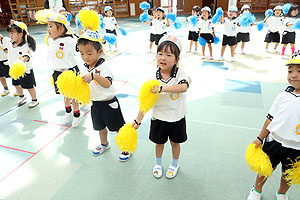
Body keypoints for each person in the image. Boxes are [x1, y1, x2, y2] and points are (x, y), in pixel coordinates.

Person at [133, 35, 189, 179]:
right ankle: (158, 163)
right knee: (159, 143)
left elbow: (183, 87)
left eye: (168, 55)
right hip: (159, 118)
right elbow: (145, 101)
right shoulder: (153, 77)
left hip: (177, 117)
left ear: (177, 59)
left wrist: (162, 88)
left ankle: (174, 164)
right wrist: (137, 120)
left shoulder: (180, 73)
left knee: (175, 143)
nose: (163, 58)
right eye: (160, 54)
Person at [247, 50, 300, 200]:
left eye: (299, 71)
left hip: (297, 147)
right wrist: (259, 138)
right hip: (275, 141)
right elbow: (270, 118)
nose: (293, 75)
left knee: (288, 173)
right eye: (290, 71)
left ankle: (282, 193)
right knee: (265, 167)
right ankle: (256, 190)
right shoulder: (283, 96)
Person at [78, 30, 130, 161]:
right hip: (95, 104)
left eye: (89, 53)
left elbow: (107, 84)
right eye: (82, 53)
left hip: (109, 103)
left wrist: (94, 76)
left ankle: (126, 146)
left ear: (99, 52)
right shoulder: (85, 68)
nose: (85, 57)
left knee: (118, 127)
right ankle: (104, 144)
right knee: (100, 127)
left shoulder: (104, 67)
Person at [46, 13, 83, 127]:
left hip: (69, 72)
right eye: (48, 26)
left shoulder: (69, 41)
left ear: (61, 28)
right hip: (58, 72)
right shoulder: (53, 40)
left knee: (73, 95)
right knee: (65, 94)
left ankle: (77, 114)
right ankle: (68, 111)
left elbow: (79, 47)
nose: (48, 29)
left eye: (51, 26)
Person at [0, 20, 39, 108]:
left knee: (29, 86)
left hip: (25, 70)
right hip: (14, 69)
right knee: (16, 84)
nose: (10, 36)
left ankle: (34, 99)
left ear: (20, 34)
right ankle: (21, 96)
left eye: (12, 33)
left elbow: (27, 55)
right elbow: (8, 50)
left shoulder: (25, 45)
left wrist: (22, 60)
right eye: (9, 33)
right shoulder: (11, 43)